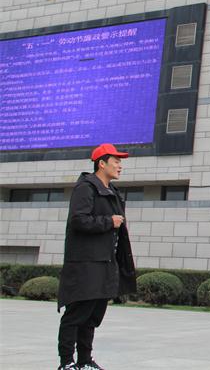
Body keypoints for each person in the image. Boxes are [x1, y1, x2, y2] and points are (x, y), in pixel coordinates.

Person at [57, 144, 137, 370]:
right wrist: (108, 221)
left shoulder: (113, 192)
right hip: (85, 264)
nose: (120, 166)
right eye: (116, 161)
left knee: (92, 316)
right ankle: (66, 363)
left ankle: (84, 361)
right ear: (101, 163)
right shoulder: (86, 187)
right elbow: (78, 220)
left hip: (105, 263)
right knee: (77, 314)